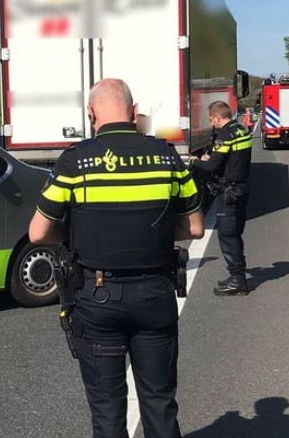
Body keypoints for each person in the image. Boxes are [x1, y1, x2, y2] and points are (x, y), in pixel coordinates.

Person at [29, 78, 203, 438]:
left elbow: (38, 233)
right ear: (134, 111)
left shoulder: (74, 161)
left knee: (107, 411)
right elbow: (195, 227)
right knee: (159, 402)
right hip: (155, 294)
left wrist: (77, 234)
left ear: (91, 114)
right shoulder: (167, 156)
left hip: (97, 297)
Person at [189, 101, 252, 296]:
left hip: (229, 192)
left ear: (217, 117)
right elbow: (231, 159)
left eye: (211, 120)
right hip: (241, 188)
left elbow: (212, 166)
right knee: (235, 234)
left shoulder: (225, 136)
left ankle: (237, 280)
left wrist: (195, 161)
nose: (211, 123)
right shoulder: (241, 130)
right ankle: (238, 276)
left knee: (227, 236)